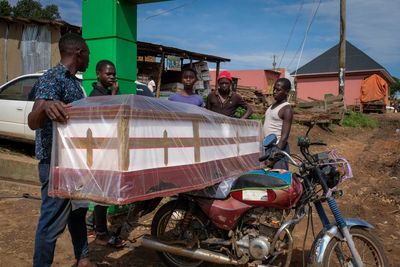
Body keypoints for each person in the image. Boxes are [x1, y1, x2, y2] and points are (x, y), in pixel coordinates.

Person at [28, 33, 96, 267]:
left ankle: (83, 258)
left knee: (77, 213)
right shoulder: (53, 77)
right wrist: (45, 106)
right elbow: (32, 121)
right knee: (50, 223)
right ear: (79, 53)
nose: (89, 58)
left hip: (73, 162)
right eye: (87, 52)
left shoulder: (75, 83)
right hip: (55, 164)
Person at [87, 60, 125, 248]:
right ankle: (101, 232)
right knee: (103, 194)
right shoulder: (96, 95)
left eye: (113, 74)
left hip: (106, 148)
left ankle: (91, 223)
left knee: (104, 192)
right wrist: (115, 95)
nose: (112, 77)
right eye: (108, 74)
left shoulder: (105, 93)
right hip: (100, 149)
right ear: (98, 74)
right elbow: (108, 117)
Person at [262, 78, 293, 170]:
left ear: (287, 92)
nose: (275, 92)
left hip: (278, 149)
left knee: (278, 179)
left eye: (278, 90)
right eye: (274, 89)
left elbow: (284, 137)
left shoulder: (286, 109)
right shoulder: (271, 106)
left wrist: (273, 157)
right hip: (267, 148)